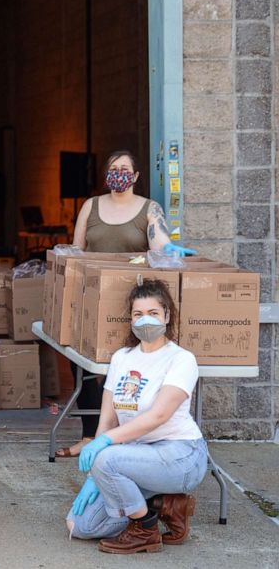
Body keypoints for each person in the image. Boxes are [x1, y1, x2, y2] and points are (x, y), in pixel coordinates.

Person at [58, 150, 195, 458]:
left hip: (134, 301)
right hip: (94, 297)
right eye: (113, 168)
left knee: (126, 368)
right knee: (83, 365)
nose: (118, 174)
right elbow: (77, 250)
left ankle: (124, 435)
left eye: (124, 169)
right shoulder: (90, 206)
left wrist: (168, 247)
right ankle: (90, 435)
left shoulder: (149, 208)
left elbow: (158, 243)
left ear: (134, 177)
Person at [66, 278, 207, 554]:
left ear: (167, 315)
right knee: (80, 526)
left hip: (180, 455)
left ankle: (144, 529)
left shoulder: (181, 359)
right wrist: (94, 476)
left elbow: (159, 415)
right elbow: (107, 422)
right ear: (130, 318)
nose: (145, 320)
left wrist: (103, 447)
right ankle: (164, 504)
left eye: (153, 313)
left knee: (106, 458)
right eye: (138, 314)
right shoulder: (122, 357)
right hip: (135, 459)